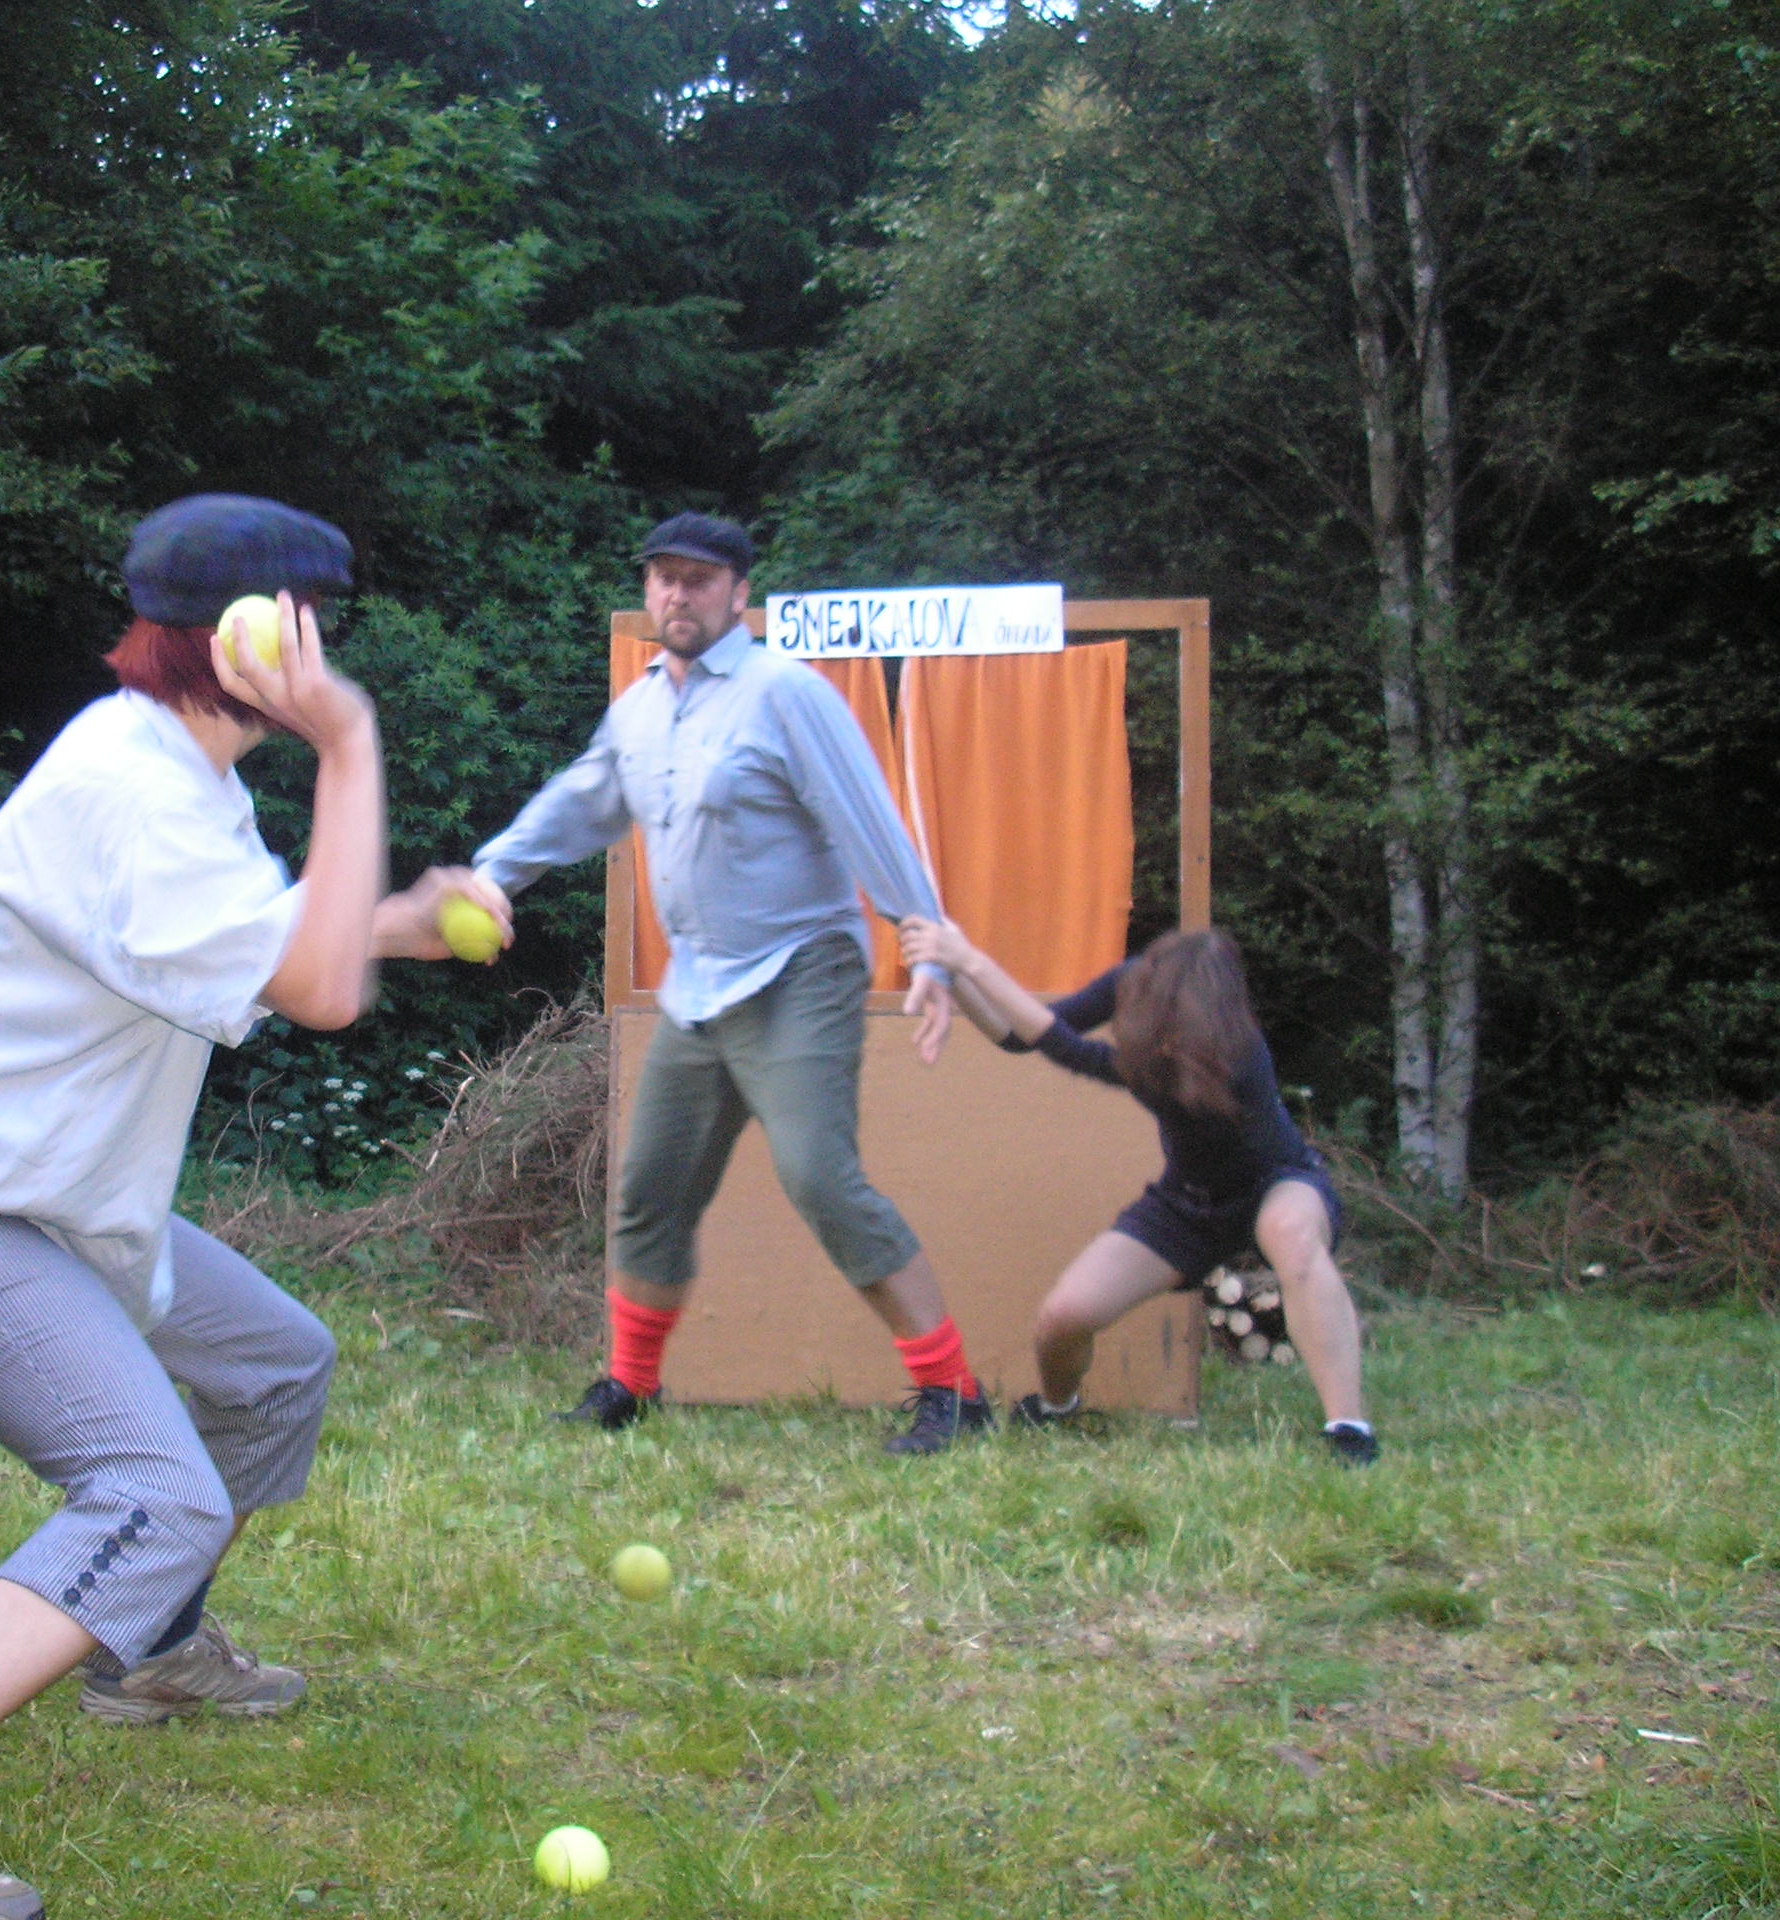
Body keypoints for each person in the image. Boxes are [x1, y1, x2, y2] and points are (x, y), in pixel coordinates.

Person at [0, 496, 508, 1918]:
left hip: (44, 1193)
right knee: (154, 1492)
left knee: (275, 1364)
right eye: (314, 625)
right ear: (253, 638)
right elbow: (319, 992)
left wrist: (398, 919)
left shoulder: (174, 771)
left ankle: (147, 1647)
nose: (328, 652)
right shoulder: (136, 790)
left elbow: (267, 943)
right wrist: (348, 746)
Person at [469, 513, 992, 1456]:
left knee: (820, 1177)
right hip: (698, 986)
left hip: (800, 969)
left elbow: (867, 815)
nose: (678, 593)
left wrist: (927, 948)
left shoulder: (784, 692)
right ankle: (630, 1386)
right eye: (663, 577)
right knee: (650, 1187)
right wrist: (492, 873)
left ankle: (953, 1390)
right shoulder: (639, 710)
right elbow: (583, 801)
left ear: (740, 594)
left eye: (699, 579)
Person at [900, 917, 1378, 1465]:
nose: (1161, 1029)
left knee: (1289, 1233)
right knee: (1064, 1316)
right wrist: (956, 975)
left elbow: (1063, 1047)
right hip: (1188, 1204)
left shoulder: (1237, 1058)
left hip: (1278, 1182)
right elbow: (1016, 1033)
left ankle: (1349, 1429)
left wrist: (970, 959)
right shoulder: (1139, 981)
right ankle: (1056, 1407)